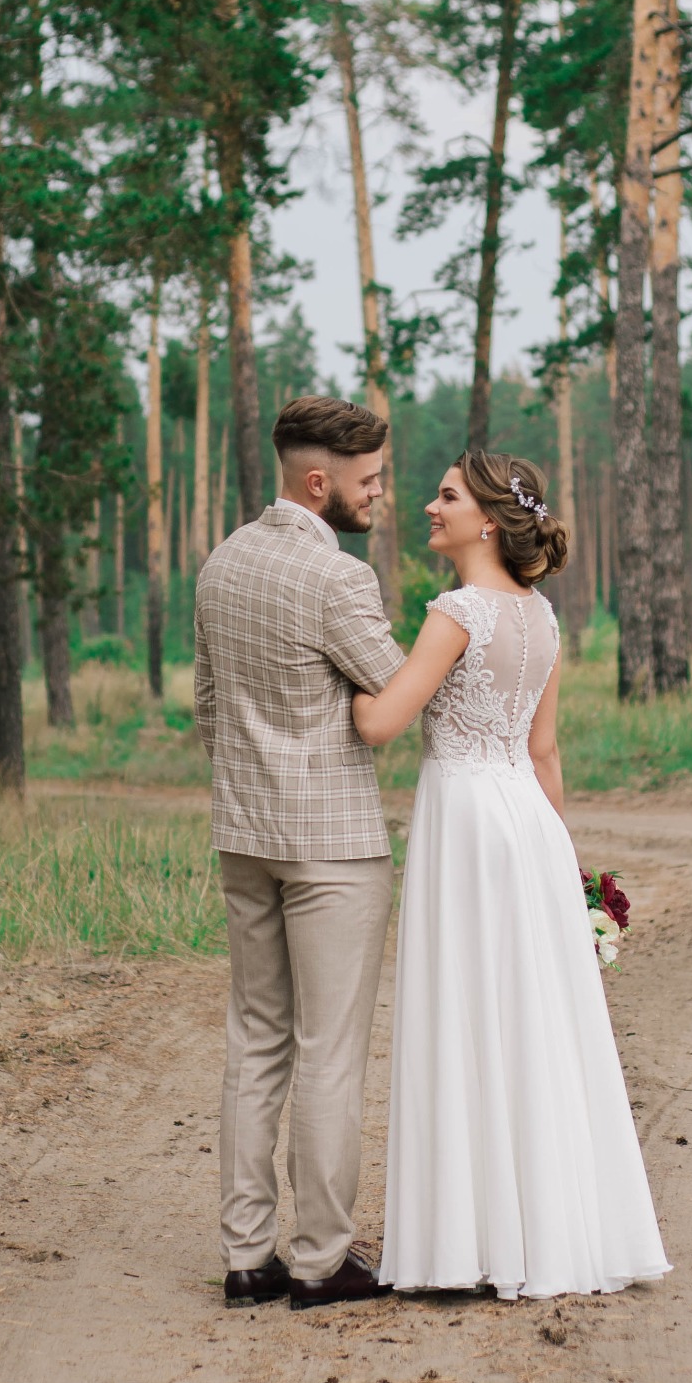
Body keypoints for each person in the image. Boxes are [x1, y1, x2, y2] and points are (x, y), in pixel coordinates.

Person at [353, 450, 670, 1302]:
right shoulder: (542, 617)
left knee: (466, 1014)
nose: (430, 506)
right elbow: (544, 751)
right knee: (530, 1020)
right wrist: (562, 869)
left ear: (488, 521)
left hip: (464, 818)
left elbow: (380, 723)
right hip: (527, 823)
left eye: (447, 497)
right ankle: (546, 1230)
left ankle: (467, 1240)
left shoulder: (456, 612)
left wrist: (328, 666)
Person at [193, 395, 404, 1311]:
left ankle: (247, 1258)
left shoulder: (221, 564)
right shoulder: (339, 579)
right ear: (319, 482)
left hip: (245, 838)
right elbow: (396, 690)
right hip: (333, 851)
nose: (379, 494)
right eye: (369, 480)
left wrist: (257, 780)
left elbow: (208, 708)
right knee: (330, 1050)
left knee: (256, 1040)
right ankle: (321, 1257)